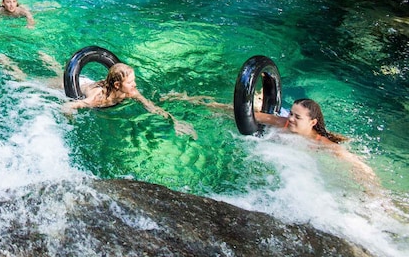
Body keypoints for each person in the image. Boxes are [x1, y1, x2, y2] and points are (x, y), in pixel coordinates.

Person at [161, 93, 378, 186]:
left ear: (312, 122)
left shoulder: (321, 144)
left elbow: (354, 163)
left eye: (297, 117)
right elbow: (247, 114)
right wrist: (197, 103)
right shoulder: (282, 123)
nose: (290, 118)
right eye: (291, 113)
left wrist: (370, 187)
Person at [0, 51, 197, 138]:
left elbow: (150, 105)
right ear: (117, 84)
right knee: (27, 81)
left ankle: (50, 60)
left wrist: (173, 121)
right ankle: (5, 62)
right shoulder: (98, 99)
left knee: (61, 74)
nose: (135, 86)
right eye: (131, 82)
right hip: (78, 85)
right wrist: (71, 123)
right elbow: (68, 105)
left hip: (87, 82)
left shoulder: (129, 93)